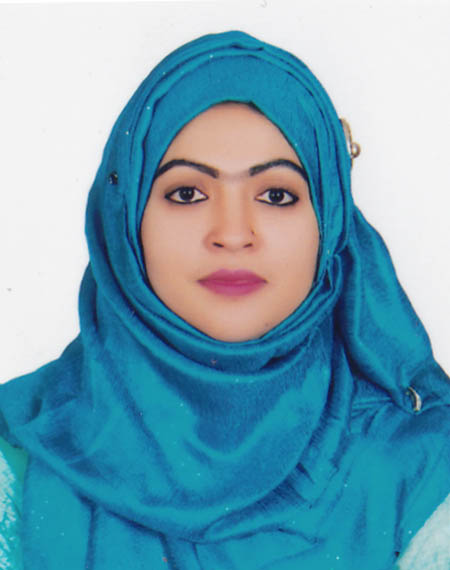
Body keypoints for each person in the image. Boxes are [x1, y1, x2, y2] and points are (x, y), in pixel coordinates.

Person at [1, 30, 449, 570]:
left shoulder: (421, 469)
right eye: (187, 194)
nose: (233, 234)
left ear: (329, 224)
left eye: (276, 195)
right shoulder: (20, 459)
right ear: (125, 222)